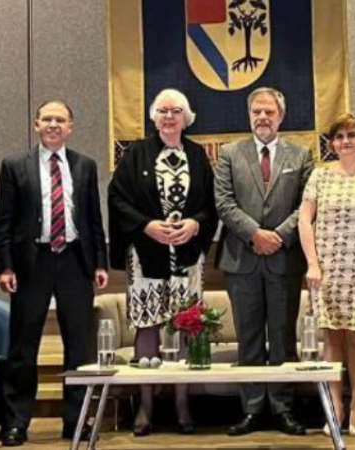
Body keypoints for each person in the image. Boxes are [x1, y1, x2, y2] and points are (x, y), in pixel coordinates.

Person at [0, 100, 109, 445]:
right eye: (47, 119)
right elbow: (4, 222)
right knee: (23, 347)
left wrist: (100, 263)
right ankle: (16, 423)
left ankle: (77, 422)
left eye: (60, 119)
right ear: (36, 124)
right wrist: (5, 265)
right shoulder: (14, 165)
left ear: (71, 127)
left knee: (78, 347)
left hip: (75, 261)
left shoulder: (85, 165)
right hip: (33, 262)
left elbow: (93, 218)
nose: (54, 124)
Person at [108, 88, 217, 436]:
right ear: (154, 117)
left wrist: (196, 224)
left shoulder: (198, 156)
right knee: (148, 325)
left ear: (186, 118)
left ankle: (183, 403)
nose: (169, 117)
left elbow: (212, 203)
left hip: (187, 255)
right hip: (146, 254)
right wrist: (146, 226)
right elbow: (117, 198)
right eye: (163, 111)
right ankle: (146, 405)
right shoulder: (135, 154)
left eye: (176, 111)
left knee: (186, 325)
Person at [215, 86, 314, 436]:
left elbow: (306, 205)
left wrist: (279, 237)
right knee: (250, 337)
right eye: (256, 111)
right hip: (241, 259)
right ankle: (253, 409)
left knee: (284, 337)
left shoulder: (301, 155)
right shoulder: (229, 153)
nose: (262, 117)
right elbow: (224, 203)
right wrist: (256, 234)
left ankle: (284, 408)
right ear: (249, 115)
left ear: (281, 116)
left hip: (285, 260)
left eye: (269, 112)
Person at [298, 113, 355, 437]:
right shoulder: (319, 177)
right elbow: (303, 220)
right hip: (325, 270)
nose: (346, 141)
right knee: (331, 339)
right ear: (331, 144)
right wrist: (312, 263)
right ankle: (334, 405)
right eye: (339, 136)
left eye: (352, 135)